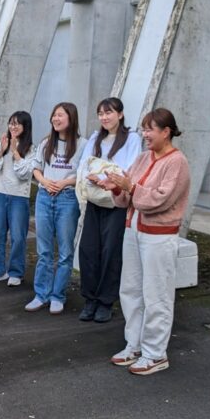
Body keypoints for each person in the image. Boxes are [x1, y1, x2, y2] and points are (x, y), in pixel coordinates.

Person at [105, 108, 190, 375]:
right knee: (130, 289)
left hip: (159, 236)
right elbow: (127, 196)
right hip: (133, 230)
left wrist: (129, 187)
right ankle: (135, 344)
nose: (145, 134)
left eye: (150, 129)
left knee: (157, 295)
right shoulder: (143, 158)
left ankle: (155, 354)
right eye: (143, 129)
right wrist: (116, 186)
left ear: (166, 132)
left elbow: (160, 199)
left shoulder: (177, 162)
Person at [76, 97, 141, 323]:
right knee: (88, 250)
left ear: (120, 114)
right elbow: (84, 165)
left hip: (115, 202)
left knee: (111, 252)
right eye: (101, 113)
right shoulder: (96, 138)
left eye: (109, 112)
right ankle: (90, 299)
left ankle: (105, 301)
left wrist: (106, 178)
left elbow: (130, 168)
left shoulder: (132, 138)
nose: (104, 117)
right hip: (95, 200)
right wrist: (94, 177)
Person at [25, 102, 86, 314]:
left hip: (67, 199)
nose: (55, 119)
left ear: (71, 118)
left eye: (60, 115)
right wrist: (45, 181)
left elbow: (84, 174)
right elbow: (36, 168)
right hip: (44, 197)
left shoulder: (83, 144)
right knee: (44, 250)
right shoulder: (46, 142)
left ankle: (58, 296)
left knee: (65, 251)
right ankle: (41, 294)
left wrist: (64, 183)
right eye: (54, 115)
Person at [0, 111, 35, 287]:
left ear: (25, 126)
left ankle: (15, 272)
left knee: (18, 236)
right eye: (11, 123)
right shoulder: (3, 143)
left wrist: (15, 151)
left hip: (19, 196)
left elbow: (25, 174)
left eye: (17, 124)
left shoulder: (31, 149)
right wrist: (2, 150)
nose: (13, 127)